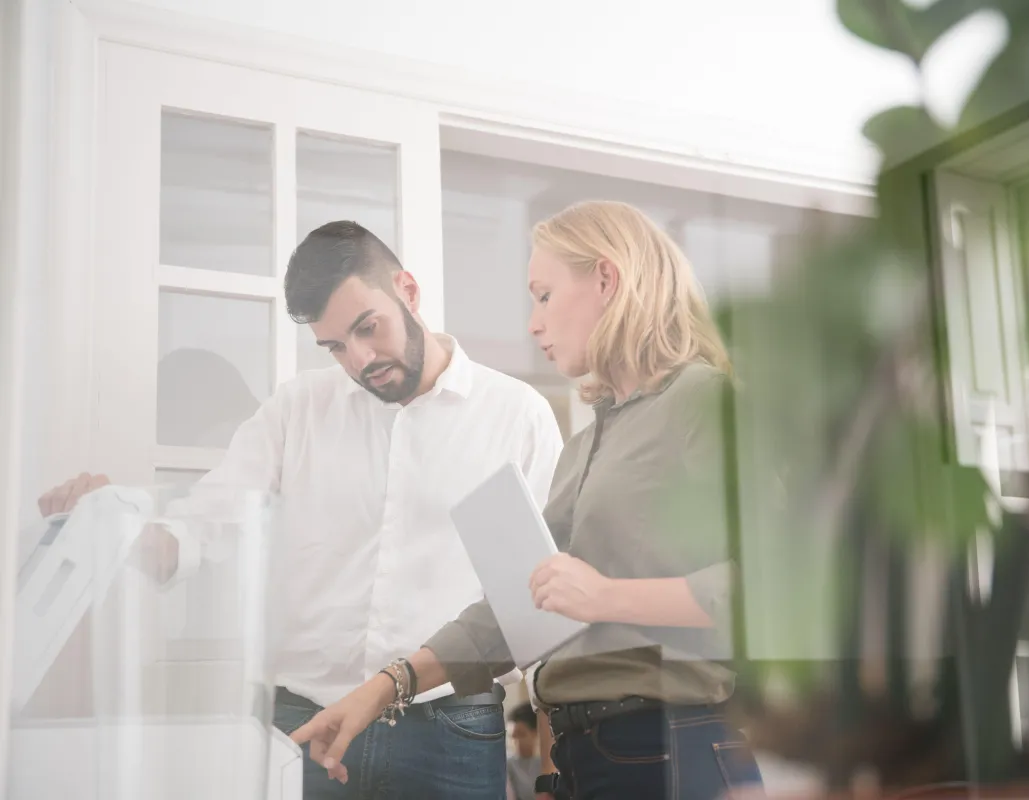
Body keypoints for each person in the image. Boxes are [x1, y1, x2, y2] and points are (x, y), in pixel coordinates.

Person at [38, 221, 564, 800]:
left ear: (408, 291)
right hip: (303, 726)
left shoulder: (518, 415)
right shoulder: (297, 409)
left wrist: (550, 768)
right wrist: (110, 520)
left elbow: (538, 603)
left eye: (369, 329)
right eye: (335, 346)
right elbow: (200, 525)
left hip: (451, 731)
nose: (360, 360)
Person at [291, 202, 763, 799]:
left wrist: (605, 596)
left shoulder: (706, 401)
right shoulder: (587, 444)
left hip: (670, 748)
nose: (533, 323)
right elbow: (517, 614)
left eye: (543, 295)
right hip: (588, 757)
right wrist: (383, 689)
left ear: (606, 279)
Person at [506, 704, 541, 800]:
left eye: (521, 734)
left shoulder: (547, 763)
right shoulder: (507, 765)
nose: (516, 742)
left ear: (535, 733)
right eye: (512, 736)